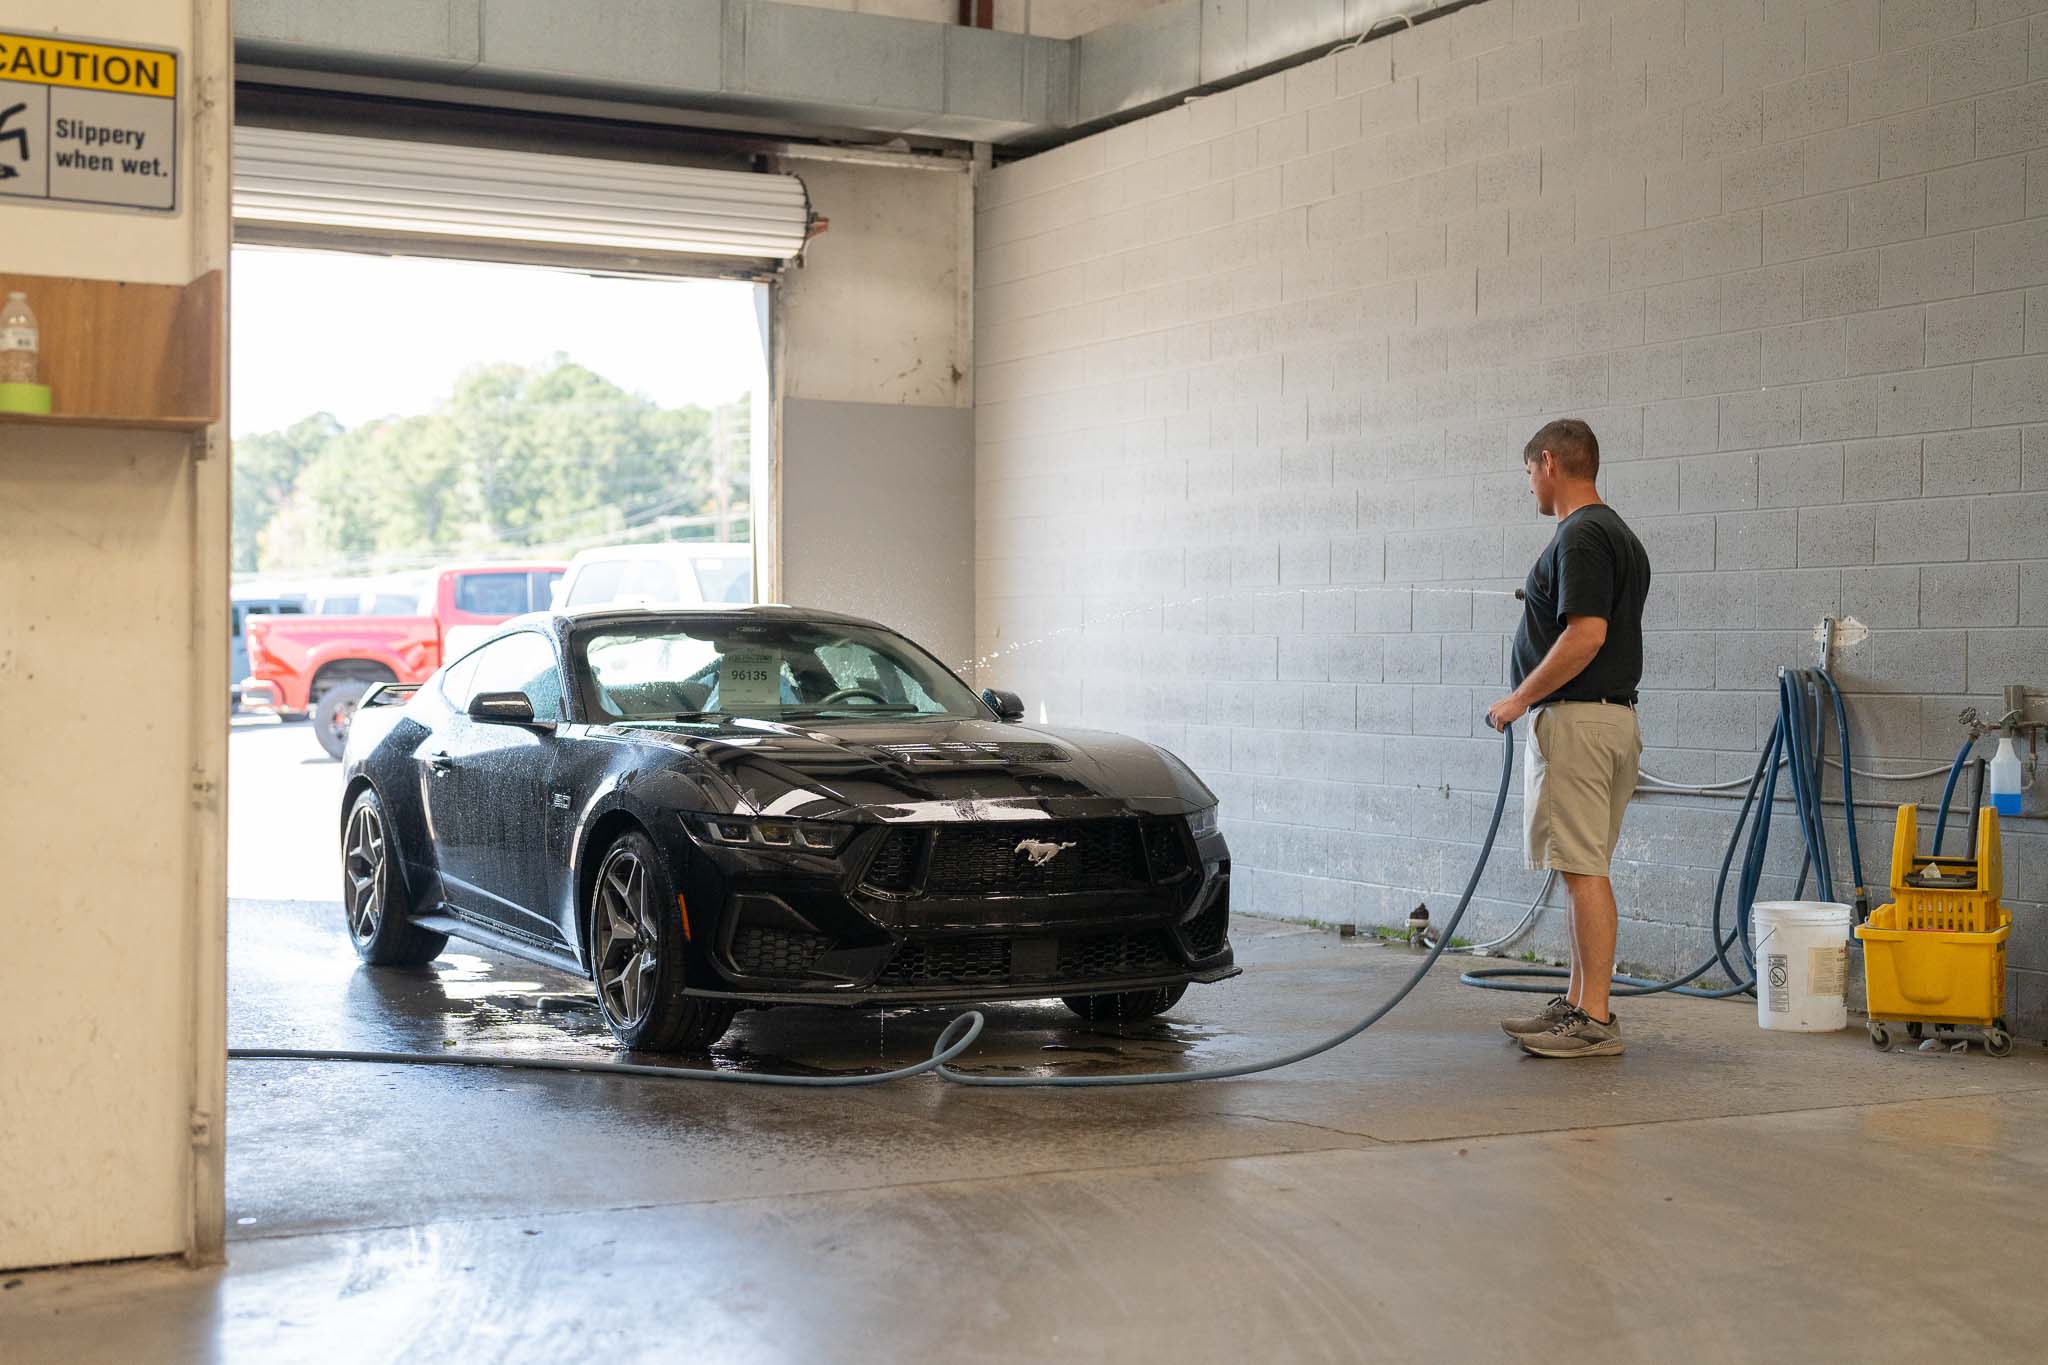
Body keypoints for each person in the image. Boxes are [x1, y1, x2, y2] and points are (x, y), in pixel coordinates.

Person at [1485, 419, 1651, 1059]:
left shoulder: (1580, 534)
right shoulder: (1620, 535)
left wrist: (1517, 700)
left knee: (1582, 872)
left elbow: (1586, 635)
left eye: (1529, 473)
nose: (1531, 486)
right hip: (1611, 721)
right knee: (1586, 867)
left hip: (1579, 722)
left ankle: (1595, 1019)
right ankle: (1581, 1002)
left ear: (1549, 462)